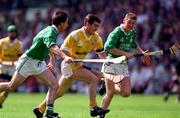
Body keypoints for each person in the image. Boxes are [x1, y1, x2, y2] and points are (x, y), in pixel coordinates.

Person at [33, 13, 109, 118]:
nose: (96, 28)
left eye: (97, 26)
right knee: (94, 79)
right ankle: (93, 108)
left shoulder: (97, 38)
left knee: (60, 92)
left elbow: (101, 53)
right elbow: (63, 50)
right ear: (87, 24)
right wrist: (75, 60)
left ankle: (40, 109)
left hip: (77, 66)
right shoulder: (75, 35)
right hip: (68, 66)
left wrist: (107, 62)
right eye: (94, 25)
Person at [0, 10, 73, 118]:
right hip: (28, 61)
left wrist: (52, 58)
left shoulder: (51, 31)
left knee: (54, 85)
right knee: (12, 86)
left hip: (39, 62)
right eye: (66, 22)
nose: (67, 25)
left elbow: (46, 46)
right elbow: (53, 47)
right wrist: (65, 56)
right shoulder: (50, 32)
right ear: (61, 23)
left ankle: (49, 113)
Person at [100, 12, 151, 118]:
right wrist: (125, 54)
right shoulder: (117, 32)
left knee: (126, 93)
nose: (131, 25)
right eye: (129, 22)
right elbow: (108, 48)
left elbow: (133, 43)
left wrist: (142, 53)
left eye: (133, 23)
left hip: (123, 65)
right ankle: (101, 114)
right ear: (124, 20)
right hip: (111, 63)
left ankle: (109, 85)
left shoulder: (132, 32)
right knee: (110, 93)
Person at [0, 25, 23, 108]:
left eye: (13, 32)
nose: (12, 34)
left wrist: (17, 62)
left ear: (16, 33)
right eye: (10, 32)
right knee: (1, 83)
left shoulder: (19, 44)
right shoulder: (2, 42)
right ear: (8, 33)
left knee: (10, 87)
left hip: (12, 67)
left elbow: (20, 56)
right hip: (3, 66)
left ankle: (1, 101)